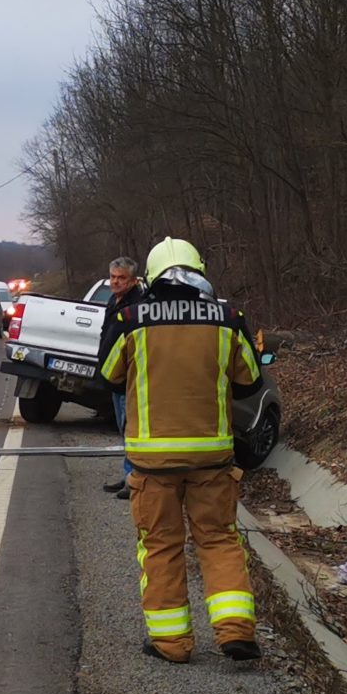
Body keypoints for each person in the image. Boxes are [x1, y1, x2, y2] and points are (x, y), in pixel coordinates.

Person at [99, 237, 262, 664]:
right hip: (212, 459)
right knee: (219, 540)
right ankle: (235, 633)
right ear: (199, 270)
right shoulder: (228, 318)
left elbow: (109, 376)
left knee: (161, 546)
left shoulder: (132, 318)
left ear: (149, 276)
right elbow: (250, 381)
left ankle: (171, 644)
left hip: (152, 463)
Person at [97, 256, 146, 499]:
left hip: (129, 377)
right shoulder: (113, 301)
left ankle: (134, 480)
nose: (116, 282)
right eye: (113, 277)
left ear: (133, 280)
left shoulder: (136, 304)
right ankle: (128, 474)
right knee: (122, 428)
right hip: (114, 376)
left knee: (131, 428)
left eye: (121, 278)